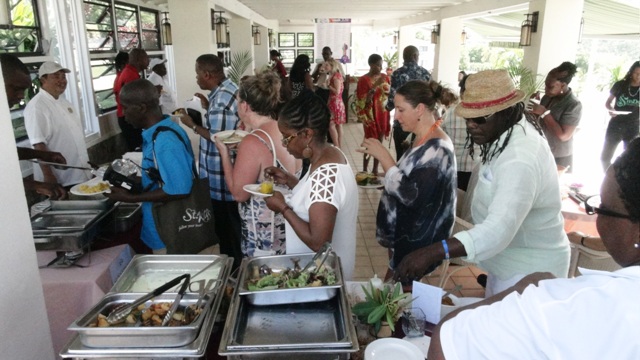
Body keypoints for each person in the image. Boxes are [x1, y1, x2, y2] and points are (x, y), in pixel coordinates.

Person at [429, 137, 640, 360]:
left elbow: (447, 343)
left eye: (602, 208)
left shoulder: (560, 305)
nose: (598, 219)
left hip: (526, 272)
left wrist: (518, 290)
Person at [394, 70, 570, 297]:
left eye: (479, 119)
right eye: (468, 118)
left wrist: (435, 251)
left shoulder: (520, 158)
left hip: (530, 273)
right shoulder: (504, 134)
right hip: (506, 263)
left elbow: (498, 230)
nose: (471, 126)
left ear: (506, 112)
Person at [359, 80, 456, 283]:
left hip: (417, 242)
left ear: (420, 109)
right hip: (403, 237)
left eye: (401, 110)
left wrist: (385, 158)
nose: (396, 116)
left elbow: (413, 196)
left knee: (394, 298)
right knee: (392, 293)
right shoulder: (422, 139)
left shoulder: (438, 149)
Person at [264, 90, 358, 280]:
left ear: (307, 134)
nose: (283, 144)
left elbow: (318, 241)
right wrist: (291, 181)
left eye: (287, 137)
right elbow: (319, 202)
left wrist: (282, 208)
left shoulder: (326, 174)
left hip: (324, 278)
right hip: (320, 272)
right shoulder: (330, 153)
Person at [215, 72, 300, 257]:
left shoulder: (253, 142)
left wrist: (224, 152)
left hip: (266, 236)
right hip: (293, 226)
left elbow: (239, 194)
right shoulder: (285, 128)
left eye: (238, 102)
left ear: (245, 106)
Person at [107, 79, 194, 254]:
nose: (123, 114)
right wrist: (136, 182)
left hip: (169, 232)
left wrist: (130, 198)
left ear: (141, 108)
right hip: (164, 228)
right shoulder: (159, 132)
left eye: (125, 108)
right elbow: (162, 177)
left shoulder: (165, 141)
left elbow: (179, 189)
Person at [179, 54, 242, 268]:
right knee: (230, 230)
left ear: (207, 74)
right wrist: (207, 108)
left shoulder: (222, 99)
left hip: (222, 179)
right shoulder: (225, 90)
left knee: (228, 232)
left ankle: (234, 272)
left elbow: (218, 138)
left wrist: (192, 125)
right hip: (224, 175)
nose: (196, 78)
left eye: (197, 74)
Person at [1, 54, 67, 199]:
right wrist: (36, 185)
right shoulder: (36, 106)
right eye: (16, 89)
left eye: (23, 90)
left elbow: (7, 152)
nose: (20, 96)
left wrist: (43, 155)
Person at [24, 61, 91, 188]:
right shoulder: (37, 107)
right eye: (56, 76)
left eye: (63, 76)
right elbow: (38, 144)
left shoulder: (64, 102)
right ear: (43, 79)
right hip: (59, 180)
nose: (62, 80)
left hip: (79, 174)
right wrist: (48, 176)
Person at [530, 61, 582, 170]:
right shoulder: (547, 97)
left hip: (558, 155)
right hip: (542, 150)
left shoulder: (573, 104)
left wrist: (544, 113)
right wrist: (534, 105)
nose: (545, 89)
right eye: (545, 85)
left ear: (563, 85)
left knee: (551, 186)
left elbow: (564, 136)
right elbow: (538, 123)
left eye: (550, 86)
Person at [386, 45, 431, 160]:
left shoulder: (397, 74)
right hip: (420, 122)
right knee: (419, 157)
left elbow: (392, 99)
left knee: (401, 158)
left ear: (404, 57)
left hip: (402, 122)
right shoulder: (425, 74)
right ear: (415, 56)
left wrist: (387, 107)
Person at [441, 74, 479, 191]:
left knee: (454, 203)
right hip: (475, 168)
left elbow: (441, 137)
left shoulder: (450, 112)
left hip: (453, 166)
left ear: (462, 92)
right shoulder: (485, 114)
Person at [601, 61, 640, 171]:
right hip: (616, 124)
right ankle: (608, 177)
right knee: (605, 157)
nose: (638, 76)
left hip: (633, 126)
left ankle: (622, 181)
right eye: (636, 73)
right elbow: (608, 102)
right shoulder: (620, 85)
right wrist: (610, 109)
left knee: (630, 158)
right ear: (631, 72)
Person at [356, 53, 390, 175]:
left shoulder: (385, 77)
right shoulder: (363, 80)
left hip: (383, 114)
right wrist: (375, 86)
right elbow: (362, 101)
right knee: (370, 142)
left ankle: (375, 169)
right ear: (371, 65)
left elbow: (388, 94)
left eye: (381, 65)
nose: (380, 68)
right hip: (369, 116)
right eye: (378, 65)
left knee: (379, 142)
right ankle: (365, 170)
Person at [114, 48, 149, 152]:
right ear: (139, 60)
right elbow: (134, 100)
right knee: (138, 151)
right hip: (129, 118)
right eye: (146, 58)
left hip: (127, 117)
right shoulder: (130, 75)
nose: (148, 61)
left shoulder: (128, 72)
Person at [325, 58, 346, 148]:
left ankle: (337, 145)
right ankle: (338, 146)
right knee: (338, 125)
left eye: (327, 65)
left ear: (332, 66)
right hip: (335, 102)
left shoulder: (336, 76)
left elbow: (337, 91)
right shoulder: (334, 75)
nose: (325, 67)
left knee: (332, 125)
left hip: (336, 103)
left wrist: (328, 86)